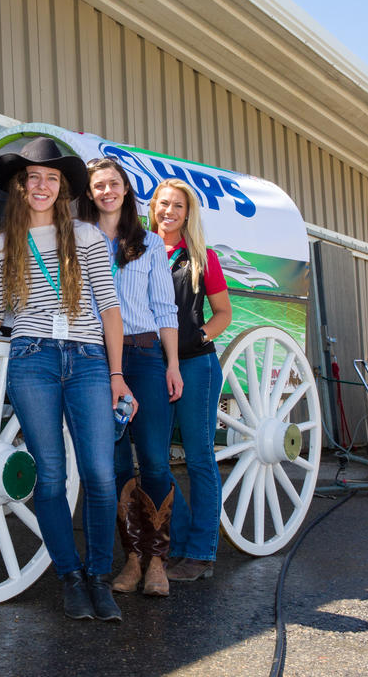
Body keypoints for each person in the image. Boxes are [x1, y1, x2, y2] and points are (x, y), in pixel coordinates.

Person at [0, 137, 133, 622]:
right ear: (21, 189)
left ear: (62, 188)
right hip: (32, 358)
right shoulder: (0, 247)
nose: (42, 185)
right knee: (49, 473)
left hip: (89, 359)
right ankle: (69, 576)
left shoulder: (87, 237)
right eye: (33, 178)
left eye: (51, 178)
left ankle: (98, 576)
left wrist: (117, 375)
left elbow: (110, 310)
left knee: (99, 473)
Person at [75, 158, 182, 597]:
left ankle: (159, 560)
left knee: (155, 459)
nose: (106, 191)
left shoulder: (150, 244)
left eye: (113, 183)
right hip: (94, 358)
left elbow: (165, 309)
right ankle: (133, 559)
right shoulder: (79, 239)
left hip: (142, 353)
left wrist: (172, 363)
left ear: (125, 189)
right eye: (98, 185)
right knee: (116, 463)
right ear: (89, 193)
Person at [148, 178, 232, 581]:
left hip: (196, 365)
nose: (169, 212)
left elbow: (223, 314)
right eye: (163, 204)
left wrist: (197, 337)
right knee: (154, 460)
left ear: (187, 213)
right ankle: (177, 543)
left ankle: (201, 553)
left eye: (178, 206)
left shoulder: (202, 257)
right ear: (153, 208)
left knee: (199, 457)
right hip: (151, 365)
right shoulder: (138, 252)